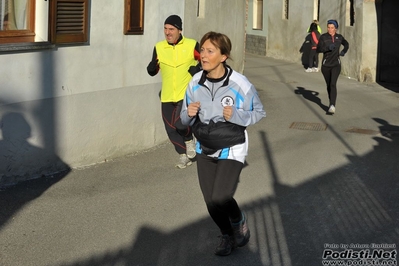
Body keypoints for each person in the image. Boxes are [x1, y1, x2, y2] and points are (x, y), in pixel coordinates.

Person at [180, 31, 266, 256]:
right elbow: (182, 119)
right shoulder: (195, 83)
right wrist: (188, 114)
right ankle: (227, 235)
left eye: (210, 51)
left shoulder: (239, 83)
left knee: (221, 196)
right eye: (203, 51)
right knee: (210, 201)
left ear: (223, 56)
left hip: (232, 144)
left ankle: (238, 220)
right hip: (204, 144)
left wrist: (237, 114)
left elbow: (258, 112)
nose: (204, 56)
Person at [146, 15, 201, 168]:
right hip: (167, 95)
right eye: (165, 28)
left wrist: (198, 69)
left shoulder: (192, 45)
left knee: (181, 124)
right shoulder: (159, 47)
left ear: (179, 30)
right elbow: (154, 69)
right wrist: (151, 68)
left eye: (171, 29)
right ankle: (183, 155)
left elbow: (207, 62)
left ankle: (189, 139)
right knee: (170, 128)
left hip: (186, 93)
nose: (167, 32)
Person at [316, 19, 349, 114]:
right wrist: (327, 48)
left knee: (333, 84)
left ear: (336, 29)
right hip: (326, 65)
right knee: (328, 85)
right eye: (328, 27)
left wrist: (343, 51)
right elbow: (318, 49)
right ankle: (331, 102)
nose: (330, 29)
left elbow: (346, 44)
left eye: (332, 28)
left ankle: (332, 105)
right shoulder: (323, 37)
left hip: (336, 65)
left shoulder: (339, 37)